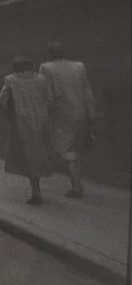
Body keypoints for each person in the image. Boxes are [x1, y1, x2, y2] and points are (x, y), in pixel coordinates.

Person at [39, 40, 96, 198]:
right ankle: (77, 183)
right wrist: (91, 114)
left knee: (66, 150)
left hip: (61, 115)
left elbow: (48, 94)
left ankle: (76, 187)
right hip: (81, 113)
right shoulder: (79, 65)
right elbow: (87, 91)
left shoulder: (46, 67)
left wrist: (45, 113)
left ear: (50, 53)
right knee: (74, 149)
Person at [0, 55, 53, 205]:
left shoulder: (10, 80)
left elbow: (2, 101)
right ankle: (37, 188)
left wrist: (9, 115)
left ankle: (36, 192)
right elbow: (49, 99)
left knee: (28, 155)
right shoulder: (42, 79)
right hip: (41, 121)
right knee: (38, 152)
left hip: (21, 122)